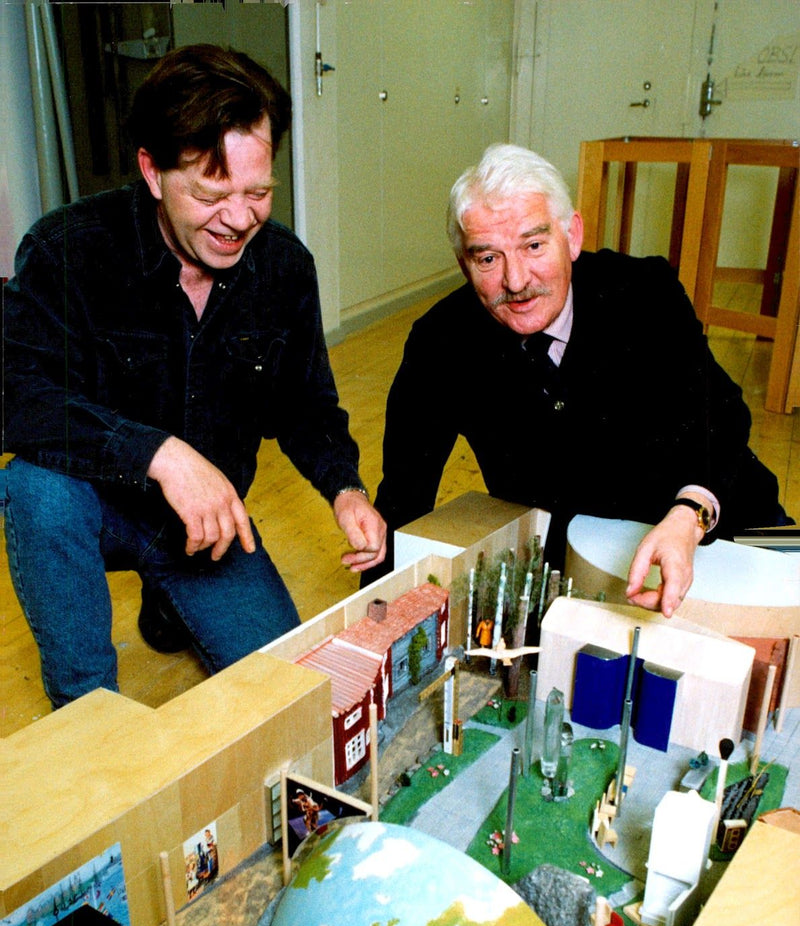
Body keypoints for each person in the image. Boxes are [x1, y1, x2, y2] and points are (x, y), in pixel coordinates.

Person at [4, 44, 386, 709]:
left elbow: (305, 405)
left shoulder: (284, 267)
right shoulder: (68, 250)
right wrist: (159, 455)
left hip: (208, 532)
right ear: (152, 171)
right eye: (212, 194)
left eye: (258, 192)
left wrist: (345, 487)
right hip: (99, 508)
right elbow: (18, 398)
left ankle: (170, 601)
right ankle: (86, 708)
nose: (239, 219)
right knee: (35, 488)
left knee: (289, 701)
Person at [373, 143, 788, 618]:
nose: (516, 279)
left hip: (722, 513)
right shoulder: (440, 343)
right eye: (488, 258)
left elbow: (724, 416)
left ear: (572, 236)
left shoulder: (644, 292)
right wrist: (375, 627)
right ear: (463, 263)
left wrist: (689, 516)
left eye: (534, 246)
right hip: (586, 561)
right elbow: (403, 501)